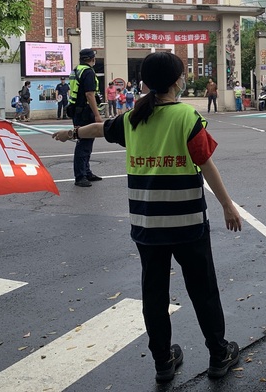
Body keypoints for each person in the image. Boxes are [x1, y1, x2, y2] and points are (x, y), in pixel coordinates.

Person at [52, 51, 242, 382]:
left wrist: (71, 134)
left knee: (154, 293)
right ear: (177, 81)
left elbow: (100, 129)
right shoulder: (186, 116)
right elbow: (205, 163)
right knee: (203, 290)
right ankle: (217, 353)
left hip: (146, 225)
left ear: (145, 84)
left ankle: (163, 363)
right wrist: (227, 204)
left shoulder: (132, 118)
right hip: (188, 224)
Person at [68, 48, 103, 187]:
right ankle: (80, 176)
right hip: (84, 113)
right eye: (94, 57)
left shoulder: (77, 69)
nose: (95, 59)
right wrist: (97, 115)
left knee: (86, 143)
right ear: (90, 59)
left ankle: (86, 172)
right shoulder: (88, 72)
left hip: (77, 111)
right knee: (84, 144)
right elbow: (90, 94)